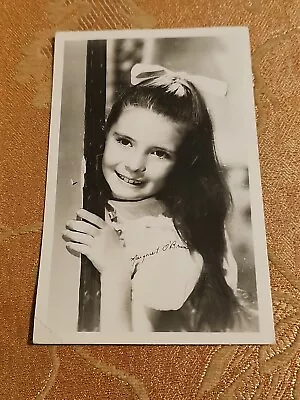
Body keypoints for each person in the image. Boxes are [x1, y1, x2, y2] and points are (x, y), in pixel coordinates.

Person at [63, 64, 255, 333]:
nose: (134, 164)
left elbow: (126, 352)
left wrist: (117, 270)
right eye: (125, 142)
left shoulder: (165, 246)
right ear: (106, 135)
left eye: (159, 153)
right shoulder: (85, 187)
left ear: (184, 164)